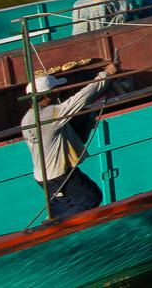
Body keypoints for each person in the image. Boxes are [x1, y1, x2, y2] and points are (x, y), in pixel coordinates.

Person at [21, 63, 118, 219]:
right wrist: (105, 75)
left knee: (62, 207)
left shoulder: (27, 118)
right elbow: (82, 98)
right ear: (48, 94)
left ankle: (53, 224)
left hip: (43, 176)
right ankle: (59, 225)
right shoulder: (51, 114)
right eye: (55, 90)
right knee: (91, 197)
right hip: (57, 174)